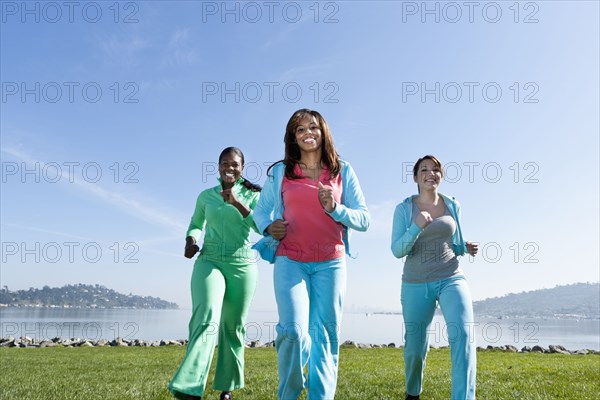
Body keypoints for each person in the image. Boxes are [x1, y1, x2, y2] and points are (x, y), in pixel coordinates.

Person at [252, 108, 370, 400]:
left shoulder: (343, 170)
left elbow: (364, 219)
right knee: (292, 330)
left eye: (313, 128)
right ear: (293, 137)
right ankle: (289, 394)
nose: (308, 133)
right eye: (300, 129)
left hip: (331, 263)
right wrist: (269, 228)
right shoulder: (281, 171)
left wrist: (336, 209)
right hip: (290, 260)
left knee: (326, 336)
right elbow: (259, 213)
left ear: (324, 132)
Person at [168, 147, 261, 400]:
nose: (229, 168)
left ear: (242, 168)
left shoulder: (253, 194)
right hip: (209, 260)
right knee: (206, 318)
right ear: (218, 166)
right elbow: (196, 224)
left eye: (235, 164)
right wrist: (190, 240)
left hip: (242, 265)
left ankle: (227, 388)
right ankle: (189, 387)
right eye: (225, 164)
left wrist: (237, 202)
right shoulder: (206, 196)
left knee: (233, 327)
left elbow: (261, 226)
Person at [391, 155, 479, 400]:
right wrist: (416, 226)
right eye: (424, 169)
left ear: (441, 175)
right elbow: (397, 250)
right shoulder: (404, 208)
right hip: (416, 283)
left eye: (436, 169)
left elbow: (453, 243)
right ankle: (413, 393)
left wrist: (465, 247)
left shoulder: (452, 205)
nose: (431, 173)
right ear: (416, 177)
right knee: (414, 348)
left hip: (451, 276)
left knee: (463, 336)